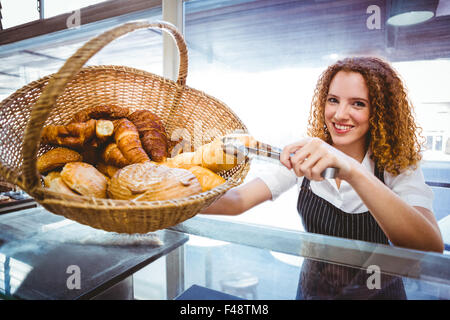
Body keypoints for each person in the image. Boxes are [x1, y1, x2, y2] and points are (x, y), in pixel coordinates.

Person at [201, 56, 444, 299]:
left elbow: (429, 247)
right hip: (313, 292)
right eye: (333, 100)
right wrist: (171, 195)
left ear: (380, 111)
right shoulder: (307, 153)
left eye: (358, 104)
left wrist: (351, 170)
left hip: (376, 294)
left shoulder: (397, 165)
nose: (340, 114)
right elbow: (238, 200)